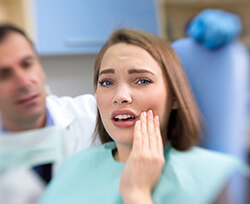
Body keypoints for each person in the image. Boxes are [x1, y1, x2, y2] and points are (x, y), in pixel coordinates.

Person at [39, 29, 249, 204]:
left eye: (142, 81)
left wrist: (137, 193)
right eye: (107, 82)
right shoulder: (74, 167)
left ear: (175, 96)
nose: (120, 96)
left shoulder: (215, 177)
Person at [0, 25, 98, 204]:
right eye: (4, 75)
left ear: (40, 67)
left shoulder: (93, 116)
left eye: (27, 64)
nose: (23, 81)